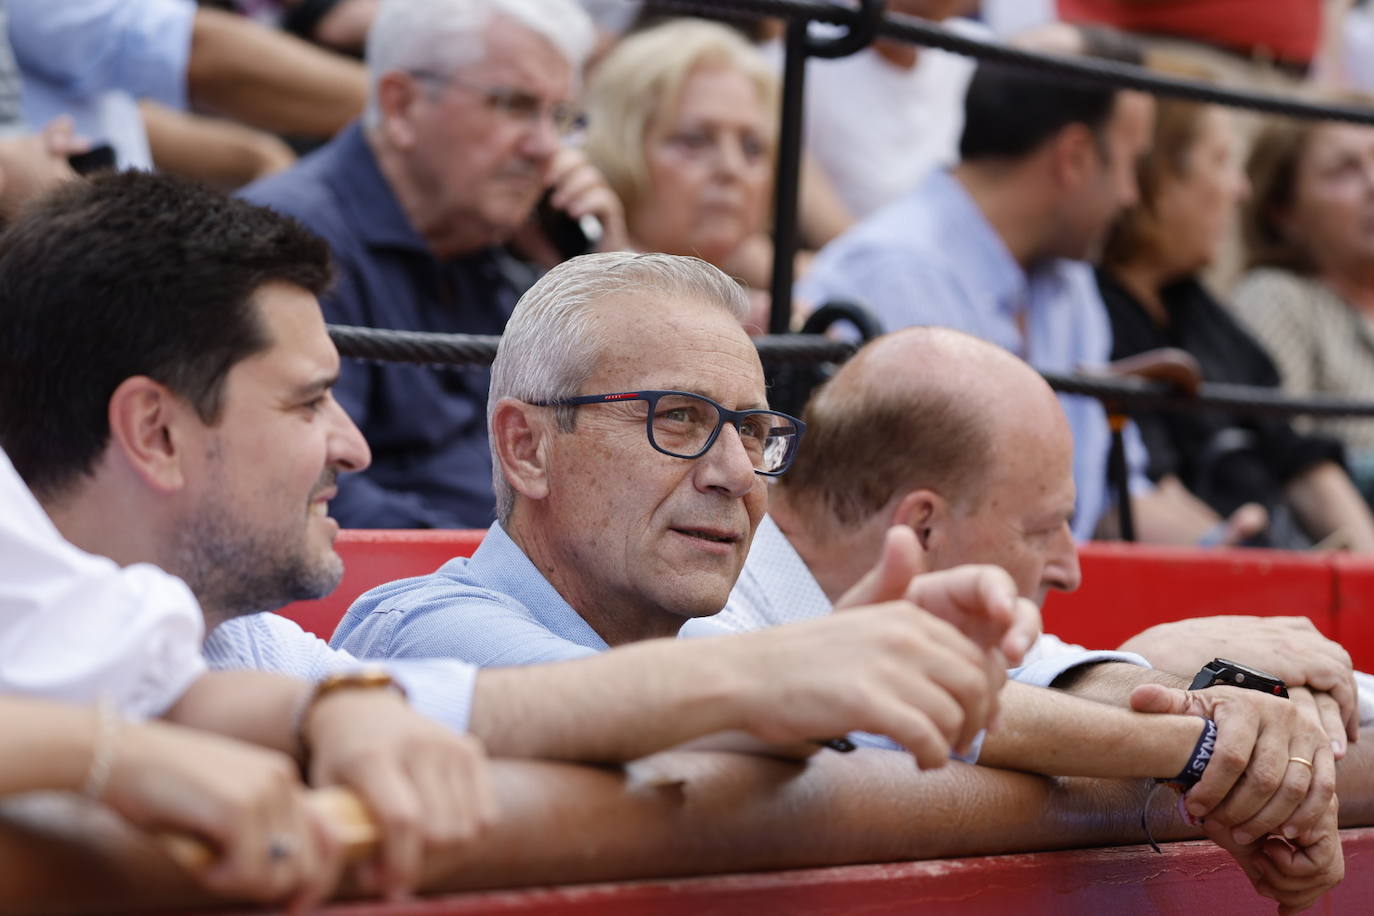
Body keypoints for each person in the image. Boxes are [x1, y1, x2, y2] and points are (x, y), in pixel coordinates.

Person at [681, 326, 1352, 912]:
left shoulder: (933, 609)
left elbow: (1043, 684)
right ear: (921, 526)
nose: (1070, 567)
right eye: (1046, 528)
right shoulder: (692, 603)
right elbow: (872, 714)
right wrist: (1212, 746)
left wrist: (1225, 703)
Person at [334, 250, 1044, 766]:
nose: (738, 473)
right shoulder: (422, 635)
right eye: (677, 417)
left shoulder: (711, 652)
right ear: (527, 448)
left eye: (756, 431)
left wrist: (1154, 734)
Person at [800, 49, 1265, 546]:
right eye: (1131, 164)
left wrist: (1225, 548)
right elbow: (901, 524)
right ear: (1076, 158)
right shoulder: (892, 276)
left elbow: (1110, 497)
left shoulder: (1072, 285)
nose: (1132, 195)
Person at [242, 0, 627, 529]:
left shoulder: (505, 239)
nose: (545, 147)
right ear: (400, 106)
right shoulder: (291, 238)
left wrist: (604, 279)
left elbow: (613, 462)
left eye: (559, 117)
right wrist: (509, 560)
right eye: (514, 105)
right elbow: (309, 487)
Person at [1098, 93, 1374, 550]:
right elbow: (1135, 492)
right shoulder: (1098, 309)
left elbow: (1293, 453)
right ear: (1158, 179)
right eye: (1221, 161)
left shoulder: (1195, 308)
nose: (1238, 188)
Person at [584, 19, 785, 329]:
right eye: (694, 140)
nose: (731, 168)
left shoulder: (783, 320)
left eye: (752, 147)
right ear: (620, 148)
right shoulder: (557, 301)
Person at [8, 0, 368, 170]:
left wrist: (253, 155)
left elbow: (109, 98)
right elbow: (183, 50)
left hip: (100, 223)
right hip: (52, 251)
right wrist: (402, 106)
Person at [1232, 107, 1374, 505]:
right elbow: (1284, 457)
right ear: (1283, 212)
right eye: (1344, 171)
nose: (1373, 183)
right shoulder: (1277, 298)